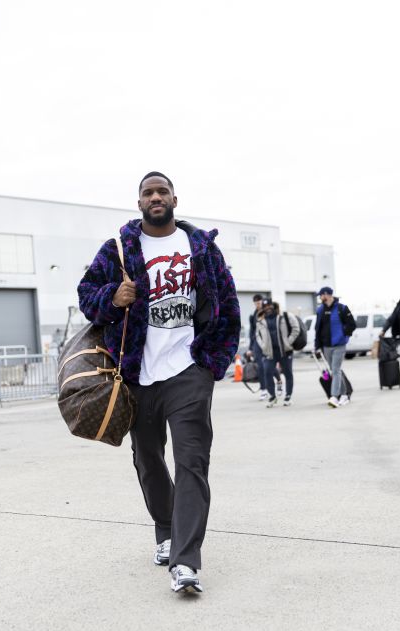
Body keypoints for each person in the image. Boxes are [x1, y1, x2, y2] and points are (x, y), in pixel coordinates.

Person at [76, 171, 241, 594]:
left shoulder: (200, 247)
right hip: (137, 374)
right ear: (139, 203)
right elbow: (86, 294)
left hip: (189, 370)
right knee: (148, 459)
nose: (155, 197)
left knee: (192, 462)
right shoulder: (118, 249)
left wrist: (213, 362)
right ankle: (165, 531)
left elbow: (227, 302)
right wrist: (113, 297)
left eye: (162, 191)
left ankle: (186, 562)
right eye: (148, 192)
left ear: (174, 199)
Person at [313, 286, 356, 408]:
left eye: (321, 295)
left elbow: (352, 324)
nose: (320, 298)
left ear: (327, 295)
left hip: (339, 345)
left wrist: (344, 335)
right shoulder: (320, 310)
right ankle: (344, 395)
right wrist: (317, 345)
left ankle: (334, 396)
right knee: (334, 371)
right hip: (326, 346)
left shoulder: (341, 308)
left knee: (336, 370)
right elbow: (318, 329)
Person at [253, 301, 301, 407]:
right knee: (267, 373)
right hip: (269, 353)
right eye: (265, 306)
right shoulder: (260, 321)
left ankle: (288, 396)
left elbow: (296, 328)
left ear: (274, 306)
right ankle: (272, 397)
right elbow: (257, 335)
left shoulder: (284, 316)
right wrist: (263, 346)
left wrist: (288, 342)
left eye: (270, 306)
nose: (268, 308)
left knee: (288, 373)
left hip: (285, 351)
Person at [246, 294, 270, 400]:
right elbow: (252, 332)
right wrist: (250, 348)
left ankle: (278, 381)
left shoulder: (268, 312)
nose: (257, 305)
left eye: (259, 303)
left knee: (270, 365)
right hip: (257, 343)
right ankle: (264, 390)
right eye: (256, 303)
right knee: (260, 366)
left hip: (267, 342)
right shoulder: (253, 315)